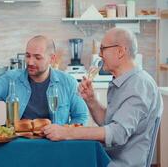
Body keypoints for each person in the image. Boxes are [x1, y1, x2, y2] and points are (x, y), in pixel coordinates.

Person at [43, 28, 163, 167]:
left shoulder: (139, 85)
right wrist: (91, 100)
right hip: (107, 158)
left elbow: (117, 133)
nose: (99, 54)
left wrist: (67, 132)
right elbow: (108, 123)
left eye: (103, 49)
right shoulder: (124, 82)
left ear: (120, 51)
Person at [0, 35, 89, 125]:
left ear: (52, 58)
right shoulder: (11, 78)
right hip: (19, 143)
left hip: (54, 144)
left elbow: (80, 116)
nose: (30, 62)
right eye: (28, 56)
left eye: (37, 57)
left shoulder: (68, 82)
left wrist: (66, 134)